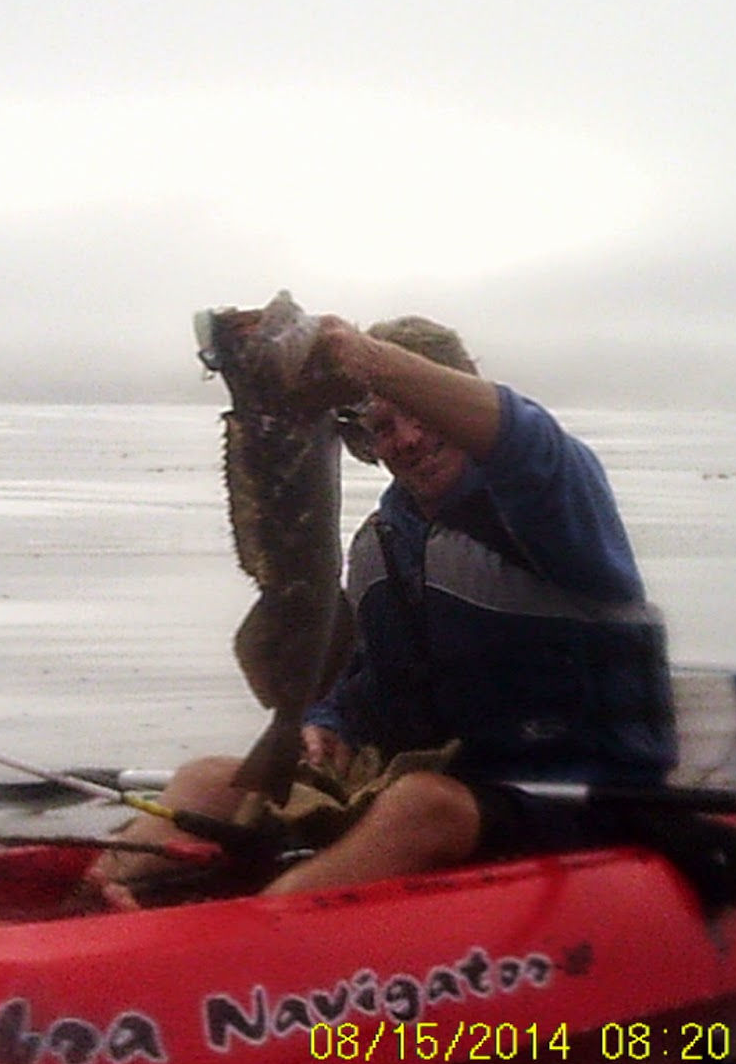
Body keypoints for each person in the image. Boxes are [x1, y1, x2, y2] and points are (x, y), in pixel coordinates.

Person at [95, 313, 676, 900]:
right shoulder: (384, 540)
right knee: (207, 782)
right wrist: (328, 723)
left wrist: (366, 358)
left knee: (422, 805)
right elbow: (362, 676)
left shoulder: (555, 494)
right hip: (425, 784)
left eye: (421, 413)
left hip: (569, 795)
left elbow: (518, 437)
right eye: (383, 425)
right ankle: (102, 893)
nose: (407, 439)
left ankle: (265, 937)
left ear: (461, 394)